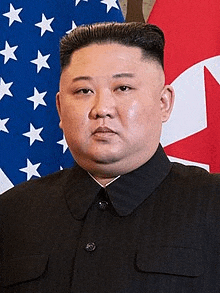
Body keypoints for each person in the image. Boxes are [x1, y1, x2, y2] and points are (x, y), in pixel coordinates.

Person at [1, 22, 220, 293]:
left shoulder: (212, 204)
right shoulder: (11, 213)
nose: (102, 109)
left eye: (123, 88)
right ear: (59, 108)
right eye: (83, 91)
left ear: (164, 103)